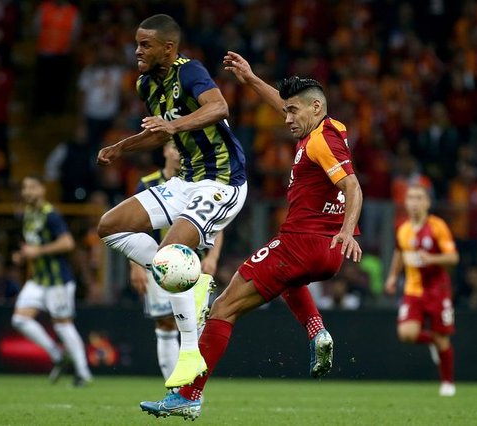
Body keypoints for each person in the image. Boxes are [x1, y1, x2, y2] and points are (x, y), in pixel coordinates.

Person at [139, 52, 363, 419]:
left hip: (302, 243)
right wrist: (252, 78)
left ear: (316, 107)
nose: (286, 118)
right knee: (289, 281)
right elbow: (287, 106)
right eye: (287, 111)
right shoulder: (330, 128)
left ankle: (189, 395)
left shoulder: (320, 142)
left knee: (223, 308)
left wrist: (348, 230)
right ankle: (316, 330)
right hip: (327, 253)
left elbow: (353, 186)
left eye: (293, 112)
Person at [96, 14, 249, 389]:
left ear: (168, 48)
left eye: (145, 45)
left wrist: (174, 126)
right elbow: (159, 132)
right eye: (136, 44)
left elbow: (219, 108)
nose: (137, 51)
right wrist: (122, 147)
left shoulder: (190, 70)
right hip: (186, 182)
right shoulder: (146, 84)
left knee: (170, 252)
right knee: (109, 227)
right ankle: (188, 279)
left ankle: (190, 351)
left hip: (223, 180)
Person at [129, 141, 223, 382]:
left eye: (183, 148)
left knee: (196, 324)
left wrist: (212, 257)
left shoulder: (201, 182)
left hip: (194, 264)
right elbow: (134, 226)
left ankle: (192, 389)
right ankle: (174, 387)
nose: (179, 153)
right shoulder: (147, 184)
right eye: (174, 147)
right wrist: (135, 266)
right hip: (157, 264)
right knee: (166, 324)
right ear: (164, 151)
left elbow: (217, 223)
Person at [11, 175, 92, 386]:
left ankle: (83, 373)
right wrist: (23, 255)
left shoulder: (51, 215)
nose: (27, 192)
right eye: (25, 187)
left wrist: (37, 251)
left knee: (63, 326)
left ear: (42, 190)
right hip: (38, 280)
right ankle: (57, 355)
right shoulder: (29, 214)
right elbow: (33, 245)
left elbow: (67, 243)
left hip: (58, 281)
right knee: (19, 319)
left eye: (32, 187)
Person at [384, 184, 459, 397]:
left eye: (419, 198)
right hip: (413, 290)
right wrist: (392, 276)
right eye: (411, 198)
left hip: (437, 290)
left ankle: (447, 383)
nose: (414, 202)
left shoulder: (437, 226)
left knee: (442, 338)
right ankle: (432, 342)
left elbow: (453, 257)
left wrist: (432, 258)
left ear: (427, 202)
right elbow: (400, 252)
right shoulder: (403, 228)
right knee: (406, 334)